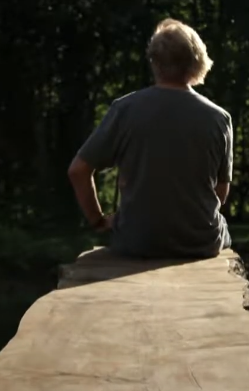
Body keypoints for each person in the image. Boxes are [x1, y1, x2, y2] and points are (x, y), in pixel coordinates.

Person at [66, 18, 234, 259]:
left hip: (136, 241)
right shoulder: (219, 118)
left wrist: (98, 220)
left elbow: (78, 170)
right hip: (200, 243)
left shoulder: (124, 109)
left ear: (154, 61)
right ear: (197, 62)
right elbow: (220, 193)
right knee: (222, 226)